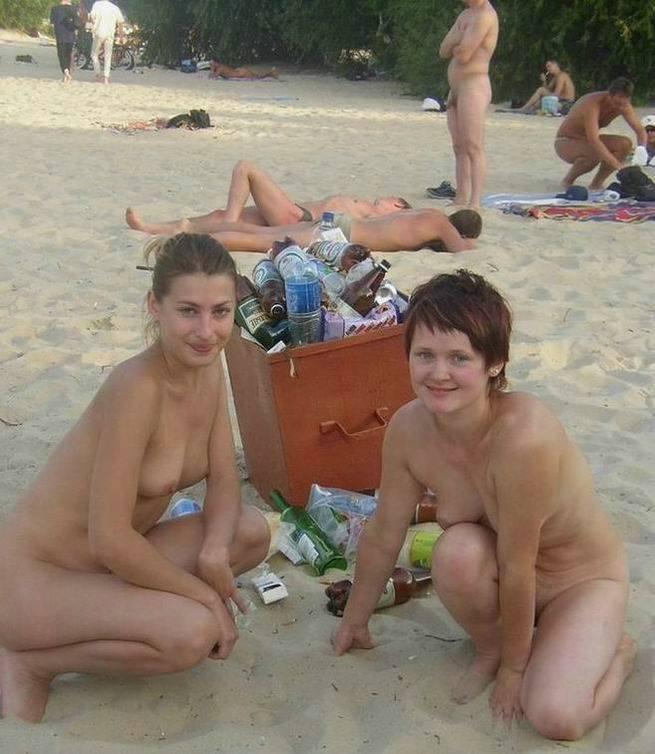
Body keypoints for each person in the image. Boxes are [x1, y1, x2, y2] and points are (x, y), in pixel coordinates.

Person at [332, 270, 635, 741]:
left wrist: (517, 671)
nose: (439, 373)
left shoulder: (523, 438)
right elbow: (385, 530)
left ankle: (619, 653)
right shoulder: (409, 430)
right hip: (506, 575)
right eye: (425, 355)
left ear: (494, 364)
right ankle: (490, 648)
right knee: (454, 552)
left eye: (459, 358)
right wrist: (356, 619)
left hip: (578, 582)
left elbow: (519, 564)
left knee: (556, 716)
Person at [0, 234, 270, 722]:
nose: (206, 331)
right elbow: (108, 539)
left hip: (110, 569)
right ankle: (31, 663)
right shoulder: (136, 388)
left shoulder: (208, 366)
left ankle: (125, 613)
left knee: (248, 531)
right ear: (154, 307)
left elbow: (224, 482)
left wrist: (212, 551)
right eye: (188, 311)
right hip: (36, 580)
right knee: (193, 631)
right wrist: (202, 594)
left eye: (220, 312)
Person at [126, 159, 413, 235]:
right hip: (293, 211)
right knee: (218, 215)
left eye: (392, 198)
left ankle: (228, 227)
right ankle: (151, 227)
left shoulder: (377, 217)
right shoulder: (368, 208)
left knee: (245, 168)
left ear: (398, 205)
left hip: (297, 218)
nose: (384, 197)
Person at [128, 208, 481, 255]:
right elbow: (462, 250)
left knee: (252, 228)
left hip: (340, 221)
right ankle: (182, 243)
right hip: (342, 236)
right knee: (257, 241)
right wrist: (471, 242)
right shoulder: (439, 223)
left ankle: (180, 228)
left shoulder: (425, 213)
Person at [437, 0, 499, 209]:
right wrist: (458, 39)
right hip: (455, 88)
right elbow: (443, 50)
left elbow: (464, 55)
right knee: (459, 146)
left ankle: (475, 201)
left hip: (474, 85)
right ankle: (461, 196)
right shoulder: (465, 15)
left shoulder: (485, 15)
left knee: (473, 145)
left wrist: (456, 39)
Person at [555, 77, 647, 190]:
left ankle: (596, 184)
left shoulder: (624, 105)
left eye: (623, 103)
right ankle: (567, 181)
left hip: (586, 141)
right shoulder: (591, 103)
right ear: (609, 95)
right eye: (617, 103)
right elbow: (593, 139)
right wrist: (620, 168)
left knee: (625, 144)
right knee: (594, 152)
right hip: (566, 141)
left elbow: (640, 130)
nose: (619, 107)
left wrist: (642, 148)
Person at [89, 0, 125, 84]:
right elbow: (121, 23)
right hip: (110, 33)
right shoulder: (115, 8)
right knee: (108, 55)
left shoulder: (97, 4)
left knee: (94, 54)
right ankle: (106, 77)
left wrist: (94, 24)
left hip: (99, 32)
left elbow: (92, 17)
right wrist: (121, 36)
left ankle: (98, 74)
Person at [49, 0, 79, 83]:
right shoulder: (73, 9)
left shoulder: (55, 9)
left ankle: (66, 72)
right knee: (68, 56)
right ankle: (65, 76)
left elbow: (52, 23)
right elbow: (77, 23)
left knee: (61, 55)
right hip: (70, 35)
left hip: (60, 35)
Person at [209, 60, 279, 80]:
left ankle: (271, 73)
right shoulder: (220, 67)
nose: (212, 65)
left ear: (216, 63)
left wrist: (212, 69)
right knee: (257, 76)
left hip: (241, 73)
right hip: (239, 71)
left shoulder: (220, 68)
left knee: (258, 78)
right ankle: (271, 73)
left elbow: (212, 77)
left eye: (213, 64)